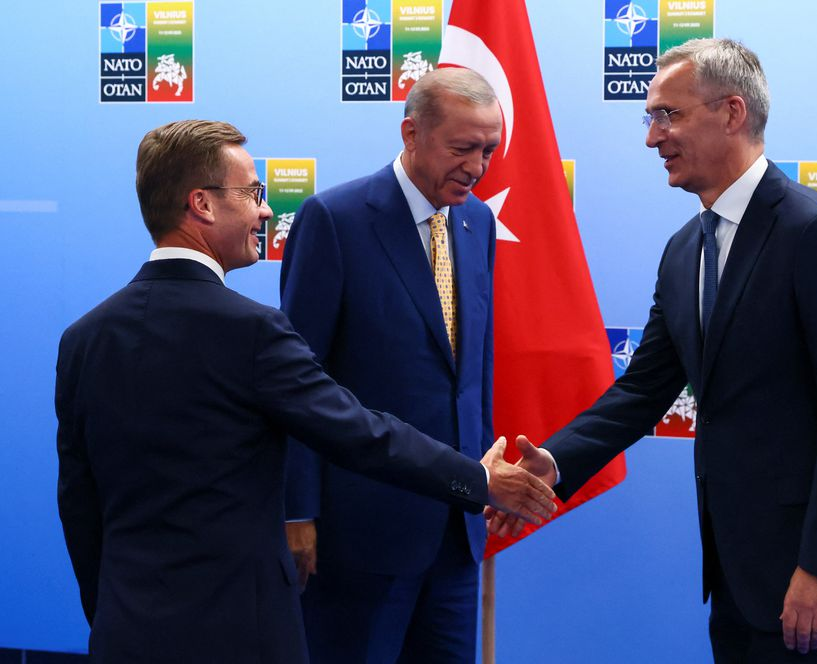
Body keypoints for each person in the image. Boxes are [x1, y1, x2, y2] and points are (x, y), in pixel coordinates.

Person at [55, 119, 556, 664]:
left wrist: (110, 612)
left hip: (125, 629)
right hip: (242, 634)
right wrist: (480, 479)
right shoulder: (252, 332)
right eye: (253, 193)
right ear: (201, 204)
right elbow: (364, 434)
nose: (266, 211)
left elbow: (79, 505)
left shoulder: (83, 338)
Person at [493, 39, 817, 663]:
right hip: (736, 579)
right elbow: (642, 392)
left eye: (669, 115)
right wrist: (552, 463)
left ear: (732, 112)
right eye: (650, 118)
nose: (652, 137)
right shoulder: (682, 249)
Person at [279, 67, 501, 662]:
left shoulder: (478, 222)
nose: (477, 167)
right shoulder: (336, 220)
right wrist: (296, 509)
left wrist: (484, 483)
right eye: (462, 148)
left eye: (488, 149)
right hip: (359, 537)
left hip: (456, 535)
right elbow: (297, 380)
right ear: (410, 133)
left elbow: (472, 370)